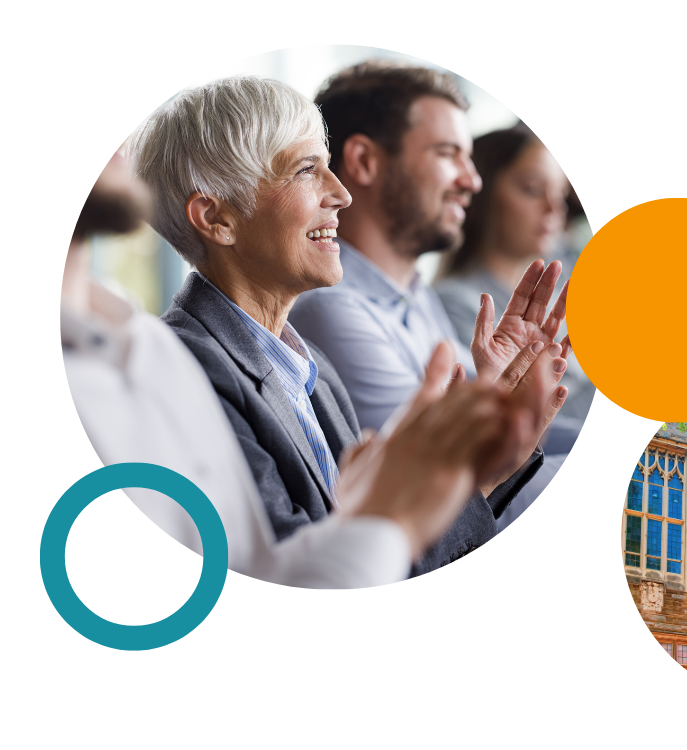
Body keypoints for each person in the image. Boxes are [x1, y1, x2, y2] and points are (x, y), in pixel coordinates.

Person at [129, 75, 567, 578]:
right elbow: (325, 571)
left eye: (329, 167)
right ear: (216, 218)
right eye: (305, 170)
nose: (341, 194)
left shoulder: (317, 371)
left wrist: (491, 429)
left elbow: (374, 544)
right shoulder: (186, 374)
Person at [288, 62, 573, 529]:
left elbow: (504, 452)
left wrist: (510, 393)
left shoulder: (416, 296)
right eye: (448, 154)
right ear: (363, 162)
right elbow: (458, 487)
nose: (472, 180)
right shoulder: (330, 310)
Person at [434, 126, 597, 425]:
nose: (554, 207)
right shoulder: (459, 304)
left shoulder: (570, 273)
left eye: (559, 193)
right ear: (481, 194)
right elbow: (539, 426)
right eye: (533, 189)